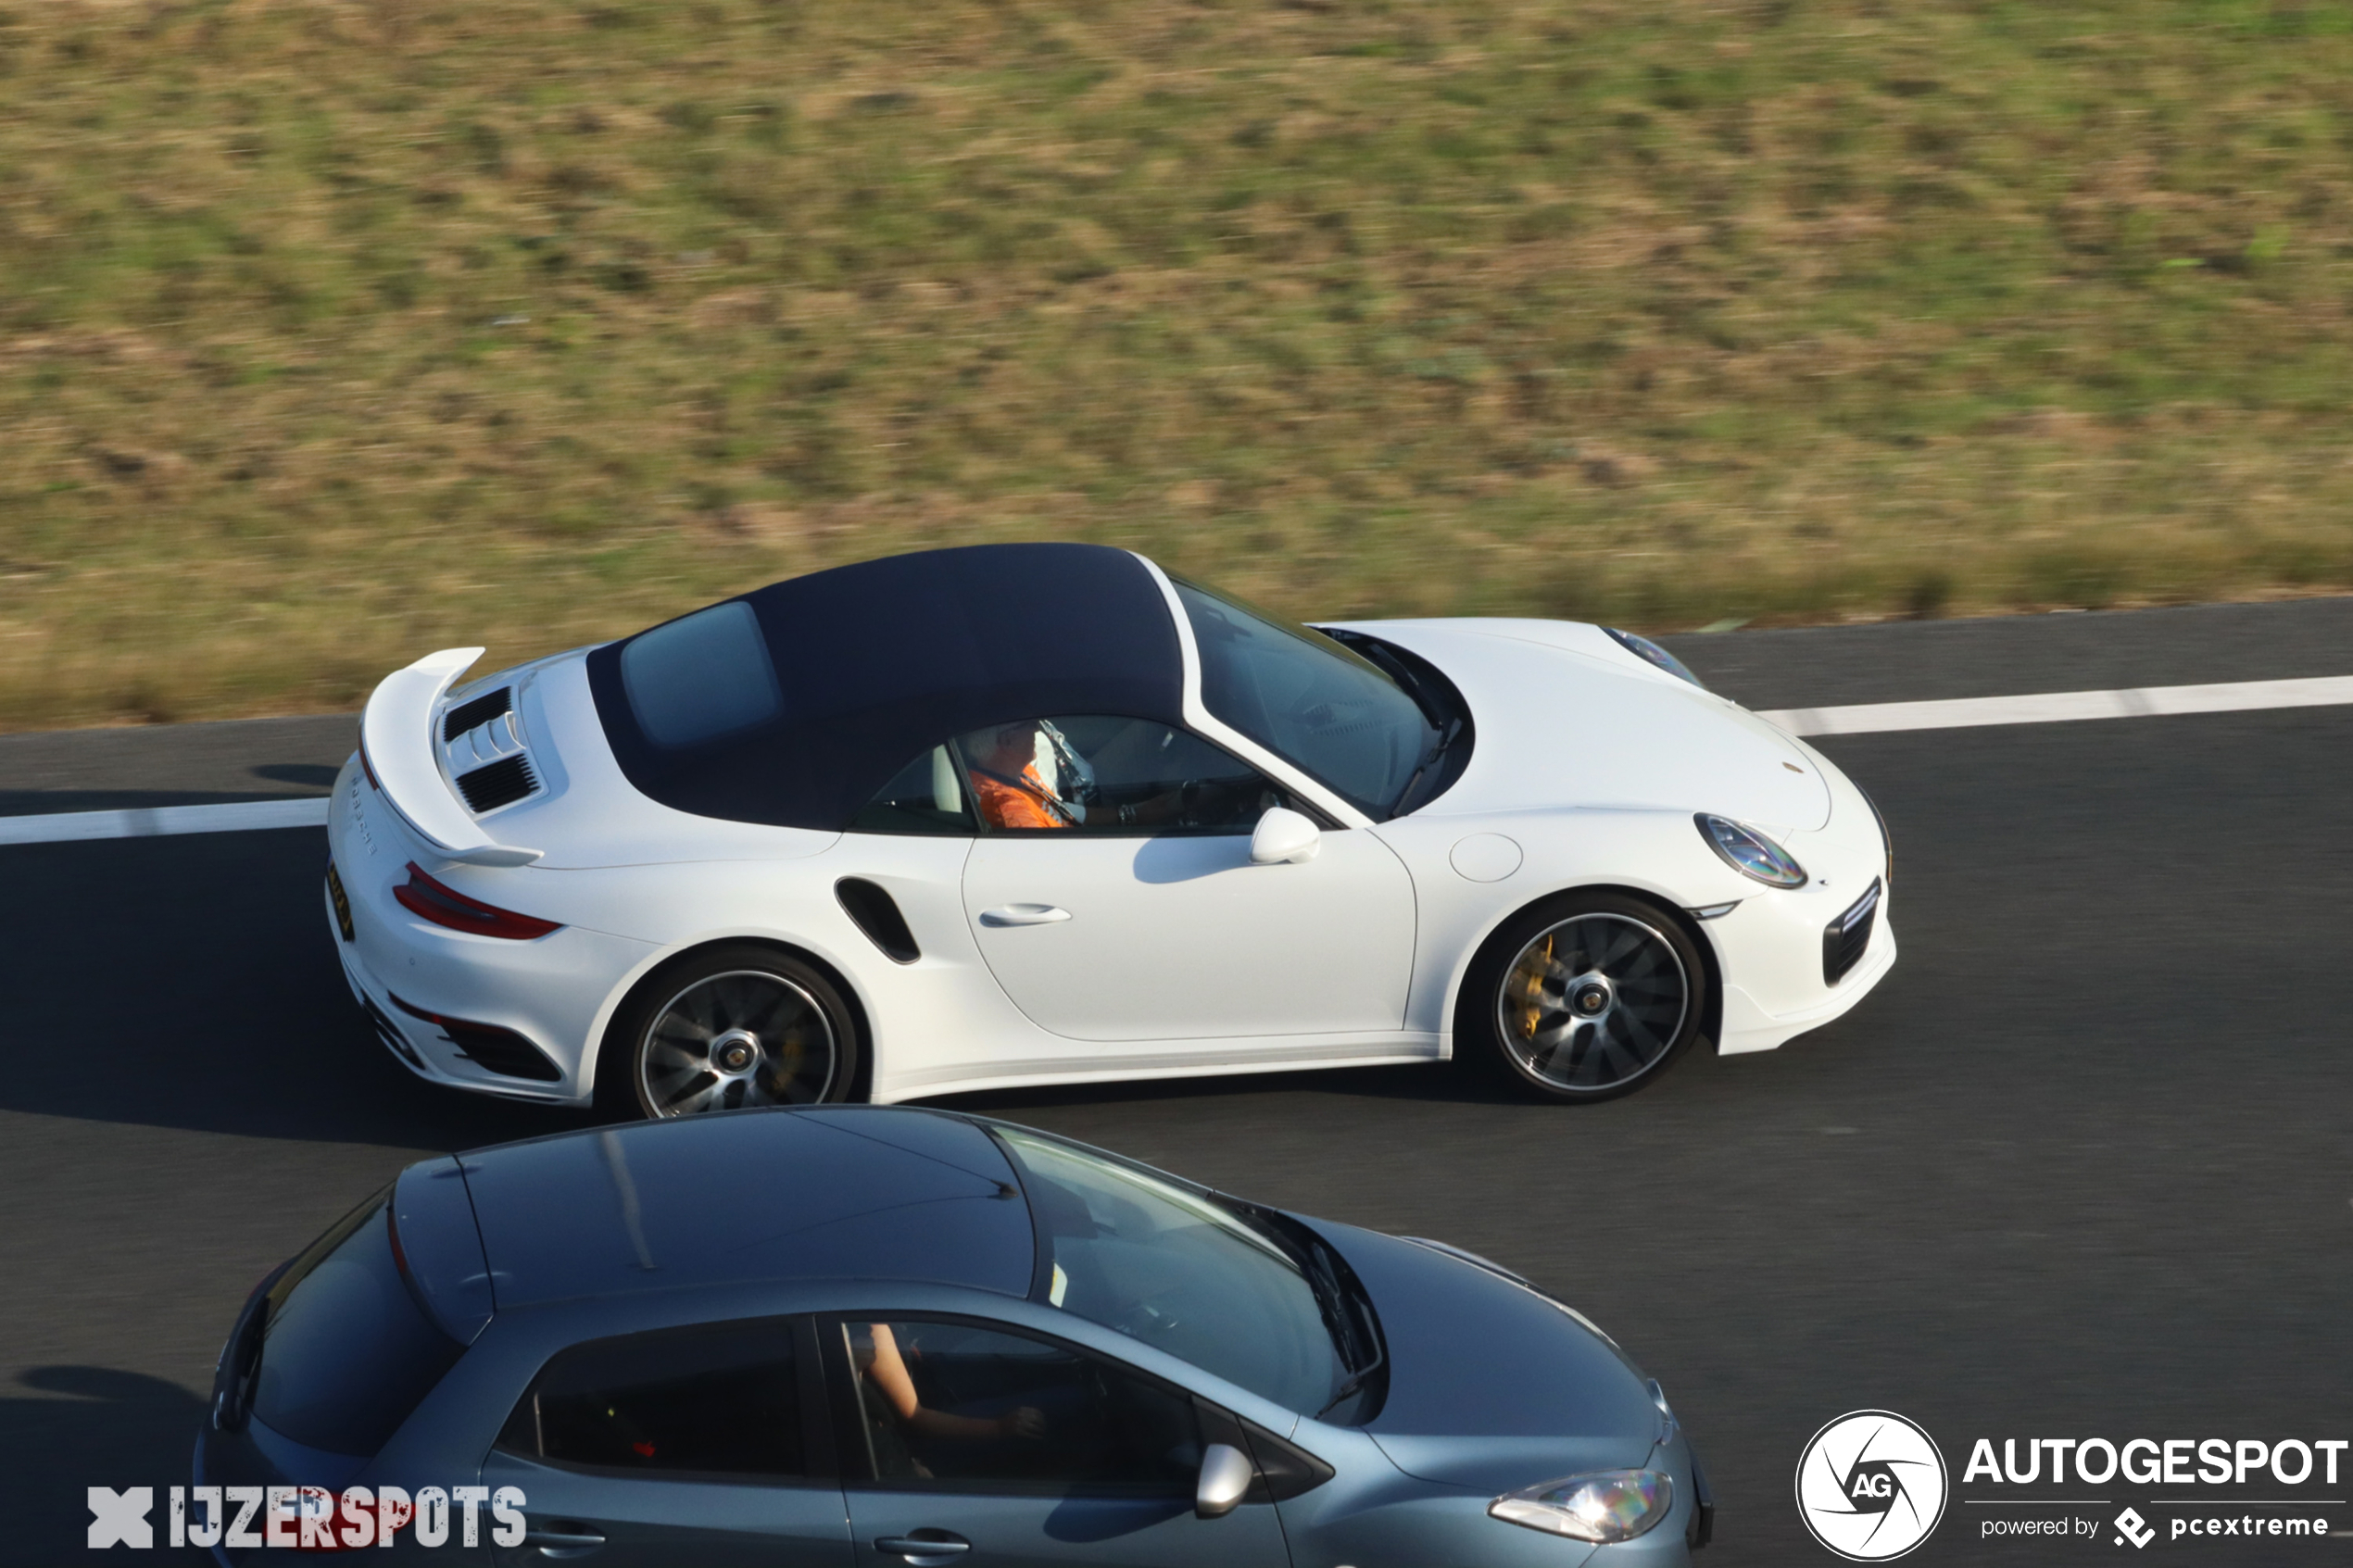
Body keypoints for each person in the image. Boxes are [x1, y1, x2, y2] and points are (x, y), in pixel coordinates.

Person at [854, 1323, 1045, 1479]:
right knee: (1055, 1404)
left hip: (932, 1380)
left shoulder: (881, 1316)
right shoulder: (871, 1333)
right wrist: (1001, 1428)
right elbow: (916, 1417)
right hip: (926, 1437)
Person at [963, 721, 1080, 830]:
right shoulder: (1013, 812)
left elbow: (1058, 809)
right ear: (1008, 740)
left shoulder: (1017, 770)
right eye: (1030, 724)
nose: (1037, 729)